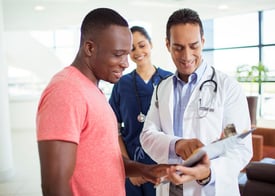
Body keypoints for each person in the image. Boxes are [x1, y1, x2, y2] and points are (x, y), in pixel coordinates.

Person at [36, 8, 173, 196]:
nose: (126, 63)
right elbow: (55, 185)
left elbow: (103, 159)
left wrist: (144, 170)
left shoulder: (92, 90)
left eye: (126, 54)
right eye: (118, 54)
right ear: (90, 48)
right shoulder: (66, 91)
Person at [140, 8, 253, 196]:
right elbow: (147, 135)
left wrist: (208, 172)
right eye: (178, 47)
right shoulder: (162, 88)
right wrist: (178, 145)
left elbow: (241, 148)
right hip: (170, 188)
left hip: (210, 188)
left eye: (194, 46)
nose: (186, 56)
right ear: (168, 45)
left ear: (203, 42)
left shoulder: (228, 87)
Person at [109, 26, 172, 196]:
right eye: (132, 48)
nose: (138, 52)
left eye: (142, 45)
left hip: (162, 166)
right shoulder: (122, 84)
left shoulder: (169, 80)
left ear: (151, 45)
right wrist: (129, 167)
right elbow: (113, 130)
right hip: (133, 167)